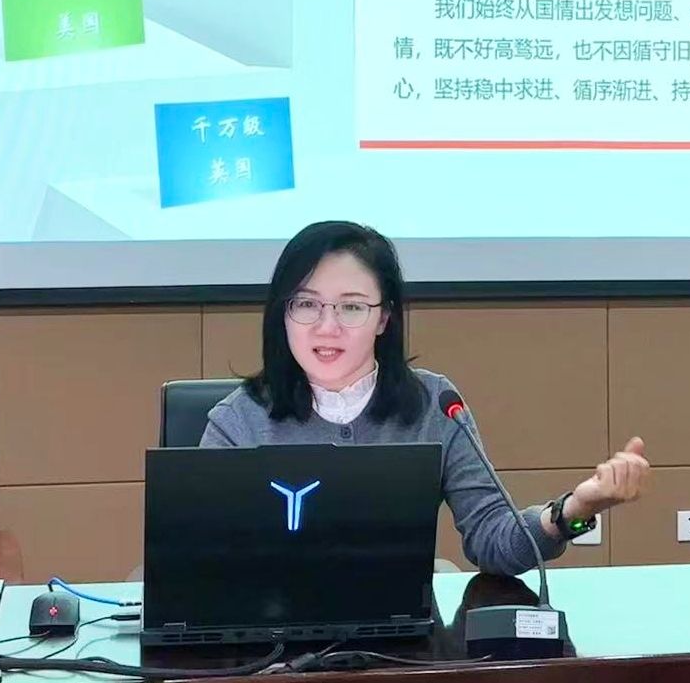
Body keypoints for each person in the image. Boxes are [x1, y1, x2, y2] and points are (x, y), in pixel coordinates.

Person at [201, 220, 649, 576]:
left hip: (401, 642)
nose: (327, 326)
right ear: (283, 313)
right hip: (270, 644)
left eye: (351, 306)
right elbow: (201, 556)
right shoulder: (238, 419)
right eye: (306, 304)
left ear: (384, 318)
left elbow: (493, 539)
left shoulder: (433, 403)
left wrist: (575, 510)